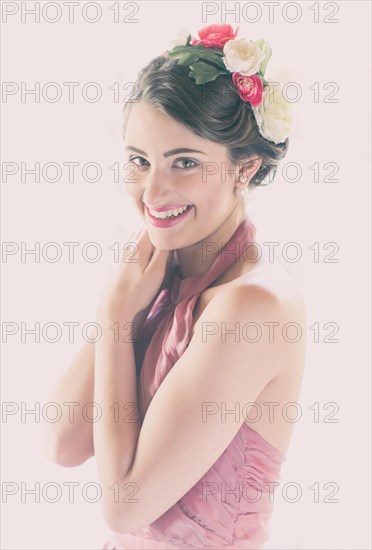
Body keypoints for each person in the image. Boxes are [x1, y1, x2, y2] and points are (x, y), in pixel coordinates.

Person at [42, 24, 306, 550]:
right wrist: (123, 306)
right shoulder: (162, 280)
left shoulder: (253, 305)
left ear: (245, 168)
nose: (152, 190)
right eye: (139, 161)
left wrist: (117, 321)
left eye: (184, 162)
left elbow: (125, 505)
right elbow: (62, 443)